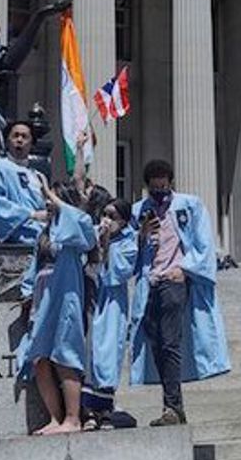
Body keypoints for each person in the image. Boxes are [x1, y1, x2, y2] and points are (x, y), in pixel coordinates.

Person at [129, 160, 229, 427]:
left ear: (170, 183)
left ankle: (172, 407)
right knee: (155, 342)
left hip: (175, 281)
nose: (159, 192)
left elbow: (203, 243)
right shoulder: (140, 211)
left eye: (163, 185)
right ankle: (174, 406)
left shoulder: (189, 205)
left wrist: (185, 270)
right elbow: (128, 255)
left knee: (169, 341)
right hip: (149, 283)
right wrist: (141, 235)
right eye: (154, 187)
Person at [17, 183, 96, 435]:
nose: (48, 203)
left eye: (53, 199)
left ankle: (73, 419)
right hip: (43, 297)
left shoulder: (75, 230)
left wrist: (59, 201)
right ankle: (54, 417)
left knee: (65, 356)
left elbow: (84, 225)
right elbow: (35, 263)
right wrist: (27, 291)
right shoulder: (45, 232)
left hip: (64, 298)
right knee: (39, 358)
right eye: (47, 199)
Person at [82, 198, 137, 430]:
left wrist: (107, 245)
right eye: (105, 213)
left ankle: (104, 410)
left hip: (112, 301)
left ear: (123, 221)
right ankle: (87, 411)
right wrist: (98, 240)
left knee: (107, 351)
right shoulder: (92, 233)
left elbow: (120, 272)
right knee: (88, 353)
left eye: (113, 216)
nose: (107, 220)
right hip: (91, 296)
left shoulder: (129, 241)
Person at [0, 121, 50, 298]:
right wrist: (31, 214)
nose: (19, 140)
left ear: (31, 143)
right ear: (7, 141)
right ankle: (29, 292)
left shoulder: (37, 176)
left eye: (25, 137)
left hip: (42, 229)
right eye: (15, 135)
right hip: (17, 230)